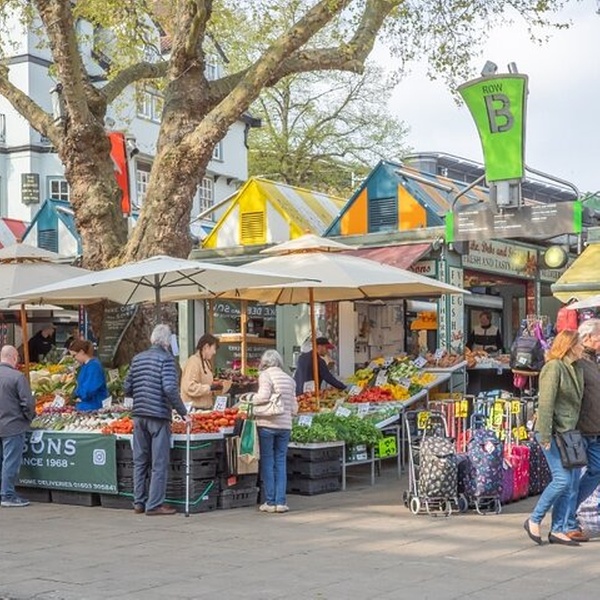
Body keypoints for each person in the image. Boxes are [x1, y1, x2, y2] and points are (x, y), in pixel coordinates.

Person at [524, 330, 584, 547]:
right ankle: (534, 519)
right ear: (570, 345)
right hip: (551, 431)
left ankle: (558, 529)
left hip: (568, 432)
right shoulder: (554, 367)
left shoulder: (575, 368)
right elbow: (546, 403)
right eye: (579, 343)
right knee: (562, 479)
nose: (583, 347)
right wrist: (546, 434)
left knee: (569, 483)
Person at [124, 324, 190, 516]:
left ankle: (139, 502)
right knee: (159, 462)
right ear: (167, 342)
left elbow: (127, 386)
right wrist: (183, 412)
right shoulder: (167, 360)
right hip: (158, 415)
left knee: (140, 460)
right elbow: (169, 388)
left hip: (139, 415)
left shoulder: (137, 358)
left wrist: (140, 396)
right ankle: (154, 504)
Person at [563, 319, 600, 542]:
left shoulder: (593, 362)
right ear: (586, 338)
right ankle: (568, 522)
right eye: (599, 338)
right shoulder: (576, 363)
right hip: (577, 430)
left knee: (596, 470)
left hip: (594, 429)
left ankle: (567, 511)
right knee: (571, 477)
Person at [251, 349, 298, 514]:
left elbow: (263, 396)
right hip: (285, 426)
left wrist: (250, 398)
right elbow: (294, 407)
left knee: (267, 462)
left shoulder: (265, 375)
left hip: (267, 424)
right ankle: (281, 502)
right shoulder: (289, 379)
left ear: (265, 362)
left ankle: (270, 501)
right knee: (280, 462)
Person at [0, 345, 35, 507]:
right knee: (10, 462)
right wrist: (28, 418)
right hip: (13, 425)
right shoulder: (17, 377)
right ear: (14, 357)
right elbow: (28, 403)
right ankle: (7, 495)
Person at [180, 333, 231, 409]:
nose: (214, 352)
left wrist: (220, 386)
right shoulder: (193, 362)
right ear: (206, 347)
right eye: (214, 349)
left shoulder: (206, 362)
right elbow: (189, 387)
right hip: (194, 409)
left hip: (205, 408)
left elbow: (206, 385)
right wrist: (210, 387)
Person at [69, 339, 109, 412]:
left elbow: (89, 390)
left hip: (93, 407)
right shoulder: (85, 365)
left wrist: (77, 395)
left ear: (81, 352)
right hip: (85, 406)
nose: (74, 359)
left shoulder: (94, 366)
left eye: (74, 355)